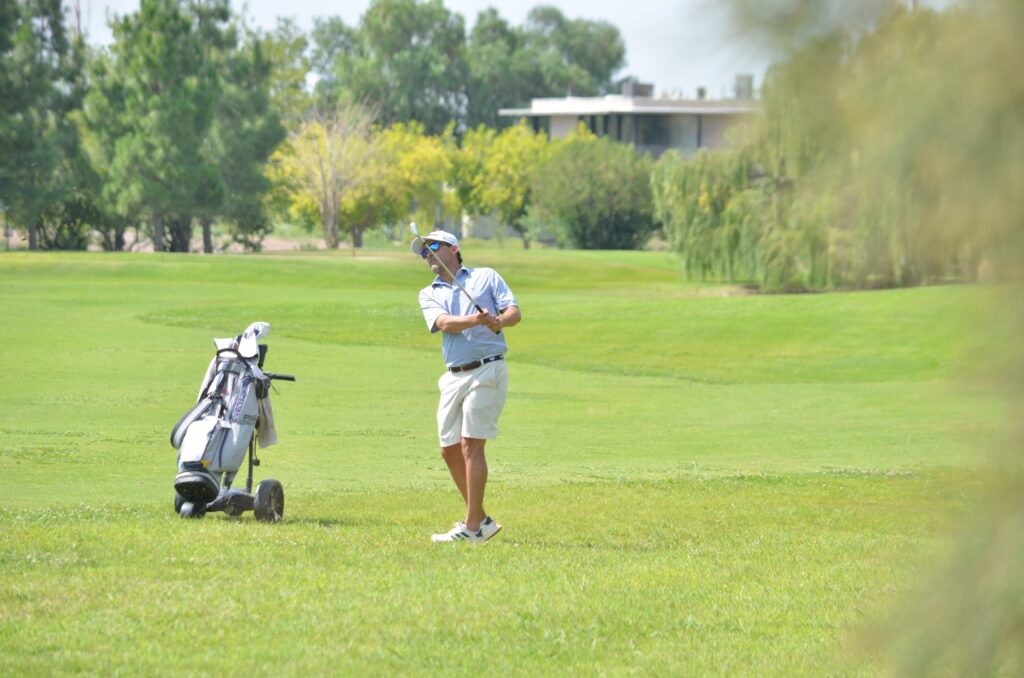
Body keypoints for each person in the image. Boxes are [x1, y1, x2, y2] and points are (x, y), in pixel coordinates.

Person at [411, 230, 521, 542]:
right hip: (453, 375)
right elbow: (443, 323)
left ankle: (472, 528)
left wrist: (498, 320)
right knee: (449, 449)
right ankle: (482, 519)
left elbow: (514, 313)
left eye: (433, 246)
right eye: (424, 252)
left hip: (487, 369)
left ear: (453, 248)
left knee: (471, 444)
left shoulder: (485, 277)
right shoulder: (428, 293)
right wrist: (475, 320)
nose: (428, 255)